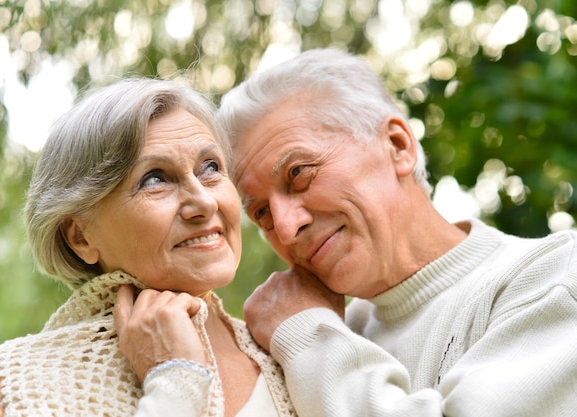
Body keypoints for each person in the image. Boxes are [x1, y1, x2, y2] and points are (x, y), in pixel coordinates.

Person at [214, 48, 577, 416]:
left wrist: (308, 337)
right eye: (262, 213)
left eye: (298, 173)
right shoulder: (318, 331)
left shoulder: (553, 277)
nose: (288, 228)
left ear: (398, 146)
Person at [0, 78, 295, 417]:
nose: (204, 202)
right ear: (80, 237)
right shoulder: (21, 382)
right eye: (155, 178)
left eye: (210, 167)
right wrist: (177, 381)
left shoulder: (289, 348)